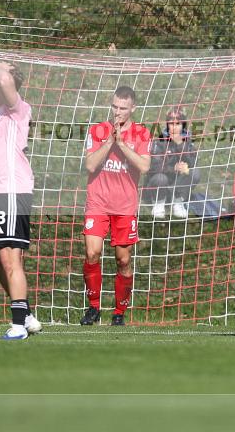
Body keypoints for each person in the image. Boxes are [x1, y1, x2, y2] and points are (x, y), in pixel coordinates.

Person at [0, 62, 42, 340]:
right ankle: (24, 313)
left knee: (10, 258)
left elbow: (5, 80)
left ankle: (18, 327)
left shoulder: (18, 108)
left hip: (12, 193)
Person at [80, 86, 150, 327]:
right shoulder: (98, 130)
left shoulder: (141, 133)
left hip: (125, 206)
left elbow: (144, 166)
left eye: (123, 108)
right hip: (97, 202)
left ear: (133, 108)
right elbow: (90, 165)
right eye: (114, 107)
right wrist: (110, 141)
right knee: (92, 253)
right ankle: (93, 308)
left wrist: (122, 144)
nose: (117, 112)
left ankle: (119, 312)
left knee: (123, 260)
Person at [146, 107, 198, 220]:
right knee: (160, 178)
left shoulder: (188, 140)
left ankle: (178, 202)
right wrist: (173, 168)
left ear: (183, 125)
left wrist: (180, 145)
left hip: (178, 183)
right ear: (167, 124)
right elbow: (153, 167)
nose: (174, 127)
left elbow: (193, 162)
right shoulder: (159, 140)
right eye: (171, 123)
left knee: (195, 173)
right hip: (159, 182)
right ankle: (158, 204)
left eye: (178, 124)